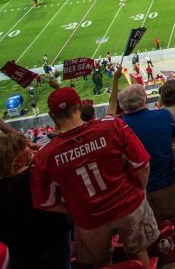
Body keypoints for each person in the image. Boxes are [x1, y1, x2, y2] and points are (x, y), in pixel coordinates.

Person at [31, 87, 159, 268]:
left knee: (100, 264)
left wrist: (75, 209)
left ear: (52, 116)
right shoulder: (112, 125)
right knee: (139, 252)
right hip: (128, 203)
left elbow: (45, 202)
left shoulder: (44, 156)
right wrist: (139, 188)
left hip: (89, 219)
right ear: (80, 106)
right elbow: (142, 164)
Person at [0, 133, 73, 269]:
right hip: (50, 242)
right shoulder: (33, 179)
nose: (31, 152)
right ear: (16, 163)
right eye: (27, 154)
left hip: (12, 247)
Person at [111, 81, 175, 222]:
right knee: (171, 225)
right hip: (165, 183)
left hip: (135, 193)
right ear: (145, 99)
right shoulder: (163, 115)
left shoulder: (117, 126)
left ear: (122, 105)